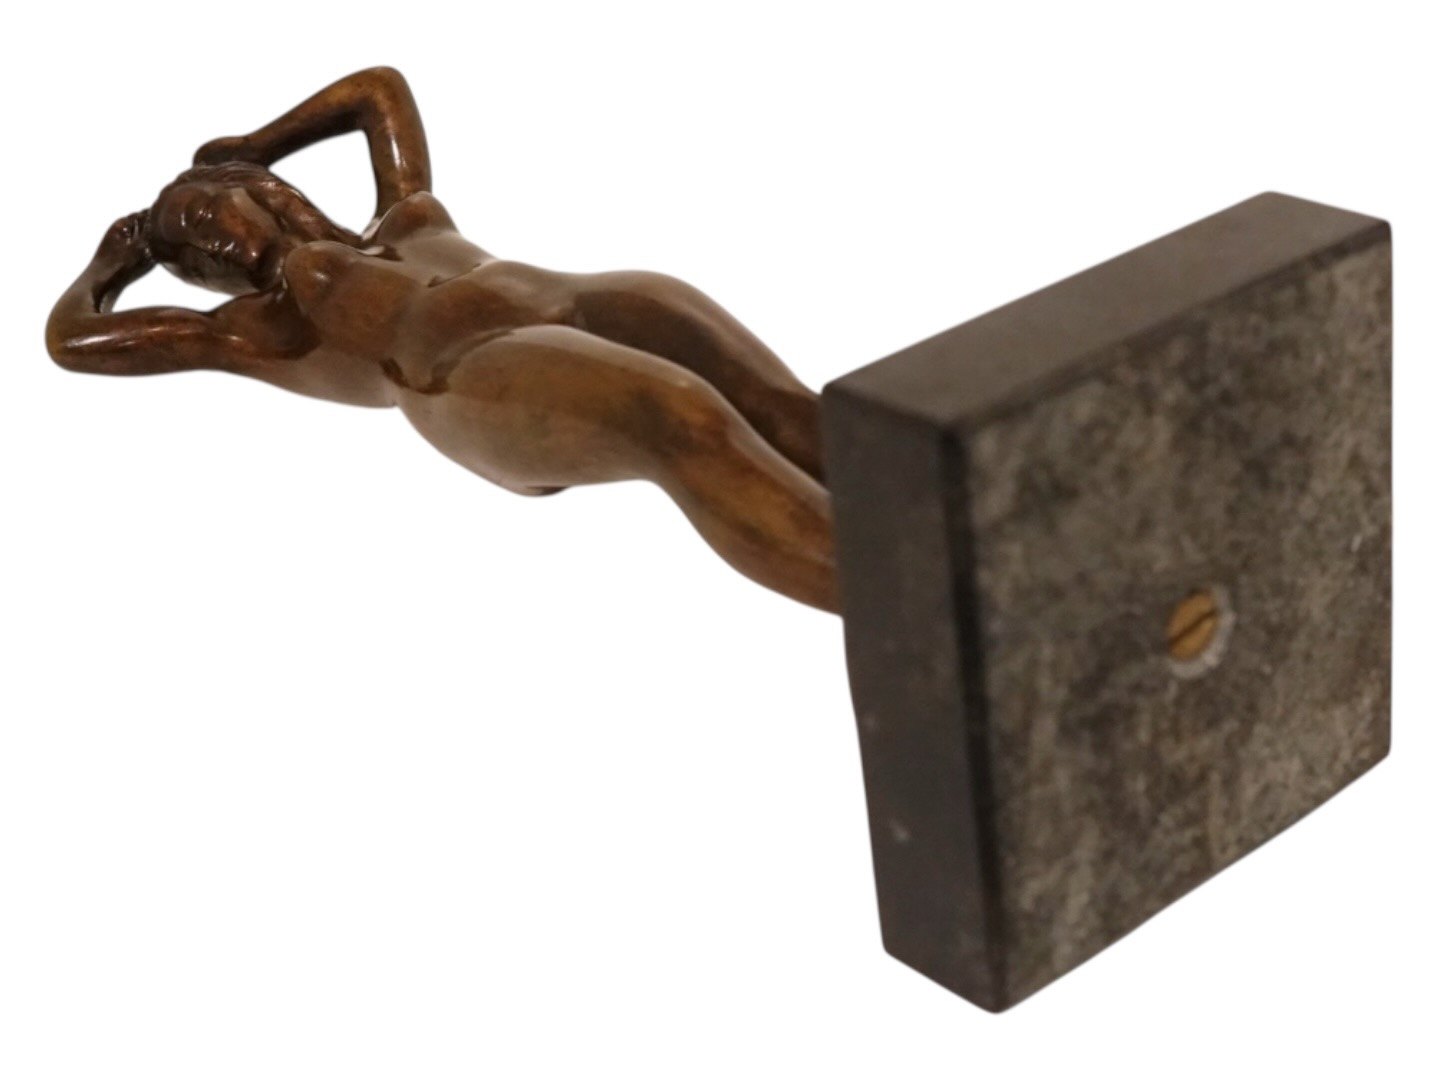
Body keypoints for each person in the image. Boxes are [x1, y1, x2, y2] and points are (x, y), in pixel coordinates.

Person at [47, 67, 837, 612]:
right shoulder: (260, 329)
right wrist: (112, 263)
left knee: (776, 400)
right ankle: (884, 593)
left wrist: (253, 142)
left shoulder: (402, 217)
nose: (207, 241)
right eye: (186, 250)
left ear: (257, 191)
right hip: (469, 375)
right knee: (679, 415)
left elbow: (377, 90)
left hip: (572, 295)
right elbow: (73, 342)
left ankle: (905, 500)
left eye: (201, 212)